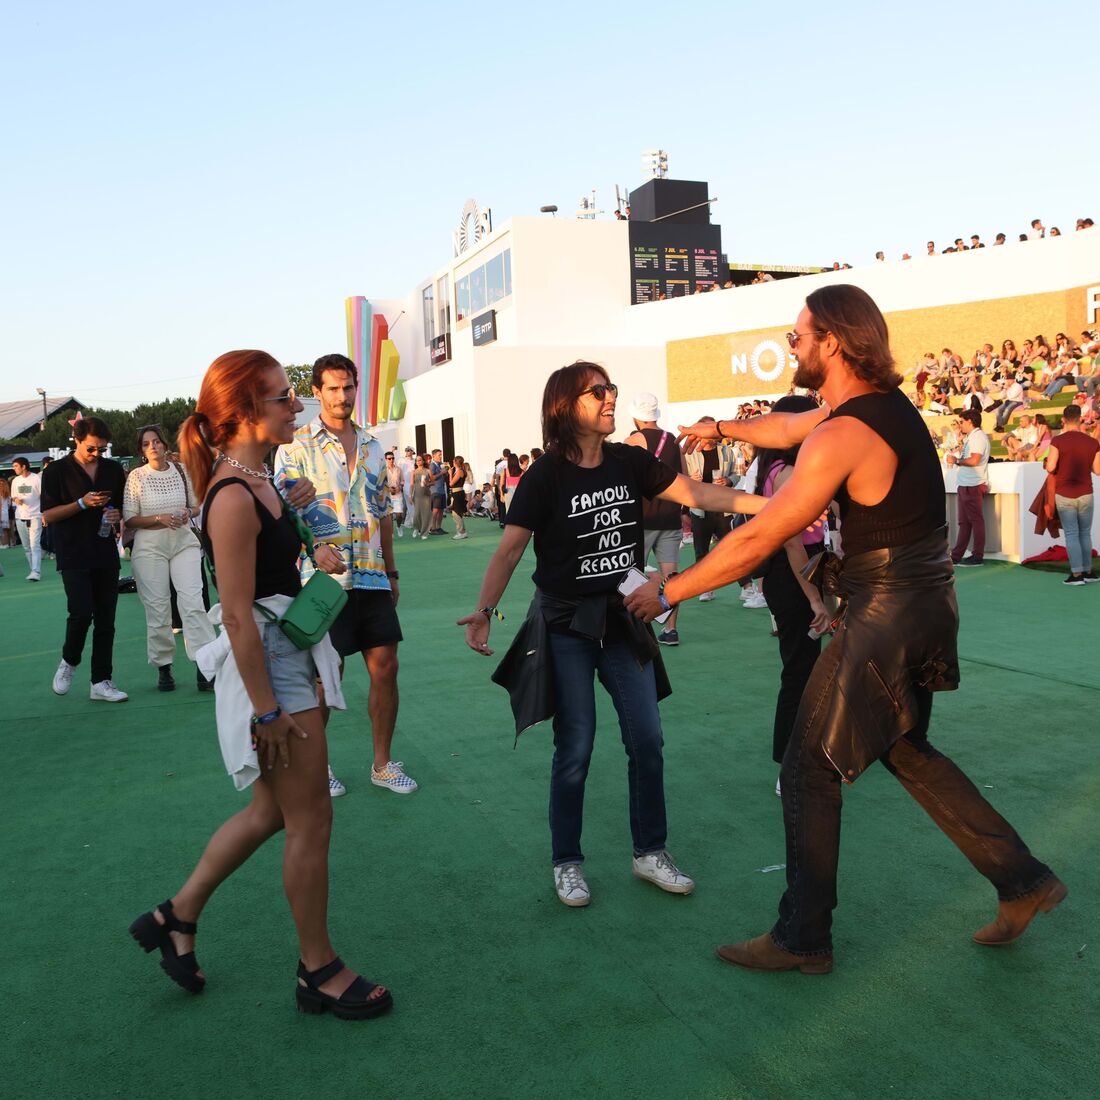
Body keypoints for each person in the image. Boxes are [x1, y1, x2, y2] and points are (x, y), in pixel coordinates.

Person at [630, 285, 1063, 972]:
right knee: (906, 750)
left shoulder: (843, 432)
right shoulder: (871, 410)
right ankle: (1023, 880)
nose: (791, 342)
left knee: (808, 766)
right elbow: (788, 428)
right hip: (922, 606)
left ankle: (803, 937)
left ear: (832, 341)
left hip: (884, 613)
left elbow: (766, 532)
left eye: (799, 333)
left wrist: (671, 589)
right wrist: (723, 431)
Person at [130, 349, 392, 1020]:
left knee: (272, 813)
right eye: (281, 397)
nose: (297, 405)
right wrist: (269, 711)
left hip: (288, 656)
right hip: (270, 668)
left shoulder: (263, 479)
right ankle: (318, 970)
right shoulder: (232, 496)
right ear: (244, 411)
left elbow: (285, 569)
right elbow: (240, 616)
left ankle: (177, 915)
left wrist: (301, 513)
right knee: (311, 819)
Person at [459, 361, 767, 908]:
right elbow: (510, 549)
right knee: (575, 745)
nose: (609, 398)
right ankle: (567, 862)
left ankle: (651, 851)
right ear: (565, 406)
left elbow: (697, 493)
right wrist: (485, 609)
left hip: (625, 617)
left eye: (611, 389)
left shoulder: (629, 461)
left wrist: (774, 506)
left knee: (647, 738)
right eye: (596, 391)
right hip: (565, 624)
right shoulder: (544, 475)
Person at [276, 354, 415, 797]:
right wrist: (313, 549)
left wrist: (392, 571)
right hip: (322, 584)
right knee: (323, 678)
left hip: (373, 577)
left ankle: (382, 764)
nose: (343, 396)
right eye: (333, 388)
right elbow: (281, 513)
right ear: (316, 393)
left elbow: (384, 515)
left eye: (349, 387)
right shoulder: (294, 447)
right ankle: (319, 766)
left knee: (386, 668)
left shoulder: (375, 447)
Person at [752, 395, 831, 791]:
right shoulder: (785, 474)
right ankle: (790, 764)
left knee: (813, 668)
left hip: (805, 571)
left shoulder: (788, 469)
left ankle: (812, 752)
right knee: (801, 670)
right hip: (798, 574)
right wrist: (815, 597)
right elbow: (792, 542)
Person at [41, 418, 129, 702]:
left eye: (102, 449)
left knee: (107, 620)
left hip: (104, 550)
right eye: (91, 448)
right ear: (76, 440)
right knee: (80, 613)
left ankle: (101, 681)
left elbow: (122, 508)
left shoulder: (113, 469)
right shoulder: (55, 471)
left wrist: (116, 515)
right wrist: (81, 503)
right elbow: (48, 515)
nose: (96, 454)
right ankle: (69, 662)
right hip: (73, 551)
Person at [123, 425, 216, 692]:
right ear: (141, 450)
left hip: (183, 542)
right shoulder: (136, 477)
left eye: (156, 441)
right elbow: (130, 518)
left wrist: (188, 512)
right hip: (149, 547)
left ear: (164, 445)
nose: (152, 446)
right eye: (145, 444)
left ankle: (204, 667)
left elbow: (197, 504)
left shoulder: (181, 470)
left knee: (193, 603)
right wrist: (158, 519)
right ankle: (164, 667)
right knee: (158, 608)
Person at [624, 393, 686, 646]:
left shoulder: (634, 440)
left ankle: (635, 626)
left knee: (632, 573)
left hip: (642, 517)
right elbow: (683, 476)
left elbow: (623, 479)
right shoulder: (672, 440)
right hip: (670, 518)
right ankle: (670, 629)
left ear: (636, 416)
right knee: (671, 577)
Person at [682, 417, 738, 603]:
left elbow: (737, 473)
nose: (711, 437)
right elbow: (681, 478)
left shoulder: (727, 451)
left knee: (732, 549)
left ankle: (747, 587)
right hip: (700, 508)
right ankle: (706, 588)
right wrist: (691, 480)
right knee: (701, 551)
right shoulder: (689, 454)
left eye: (713, 433)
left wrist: (729, 481)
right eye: (707, 433)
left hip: (722, 506)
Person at [1045, 403, 1100, 584]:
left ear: (1063, 419)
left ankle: (1077, 575)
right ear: (1080, 419)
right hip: (1086, 493)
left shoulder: (1058, 441)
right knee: (1085, 533)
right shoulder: (1093, 442)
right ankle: (1088, 571)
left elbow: (1051, 466)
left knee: (1072, 534)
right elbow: (1098, 470)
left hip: (1065, 493)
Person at [946, 407, 989, 566]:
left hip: (972, 485)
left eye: (962, 422)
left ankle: (977, 556)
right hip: (967, 484)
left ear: (970, 422)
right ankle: (956, 556)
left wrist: (956, 461)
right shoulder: (974, 437)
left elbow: (974, 460)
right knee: (964, 522)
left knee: (975, 521)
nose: (960, 425)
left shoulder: (977, 438)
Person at [10, 456, 43, 581]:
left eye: (16, 466)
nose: (14, 469)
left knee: (35, 545)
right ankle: (33, 570)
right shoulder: (15, 481)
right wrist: (16, 499)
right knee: (26, 547)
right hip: (20, 516)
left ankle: (36, 571)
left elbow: (43, 496)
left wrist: (44, 513)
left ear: (24, 466)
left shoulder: (36, 479)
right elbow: (14, 496)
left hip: (35, 516)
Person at [410, 454, 433, 537]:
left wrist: (428, 483)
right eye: (417, 460)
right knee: (416, 514)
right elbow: (412, 484)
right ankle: (416, 527)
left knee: (426, 514)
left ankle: (424, 533)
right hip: (417, 495)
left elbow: (433, 482)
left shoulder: (428, 471)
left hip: (426, 494)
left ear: (423, 461)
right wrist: (410, 495)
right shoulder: (414, 472)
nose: (418, 462)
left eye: (420, 460)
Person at [384, 450, 405, 537]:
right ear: (386, 459)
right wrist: (388, 489)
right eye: (389, 458)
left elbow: (402, 481)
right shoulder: (383, 470)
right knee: (390, 515)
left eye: (393, 458)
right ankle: (391, 532)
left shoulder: (398, 469)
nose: (391, 460)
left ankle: (399, 527)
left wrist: (399, 487)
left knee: (399, 514)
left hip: (398, 494)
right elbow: (381, 483)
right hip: (388, 495)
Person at [449, 455, 470, 540]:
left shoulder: (460, 471)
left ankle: (461, 532)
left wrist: (450, 474)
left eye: (454, 461)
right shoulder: (459, 470)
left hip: (458, 493)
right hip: (457, 492)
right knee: (458, 513)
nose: (452, 463)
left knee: (456, 513)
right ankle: (462, 531)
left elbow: (451, 483)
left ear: (456, 462)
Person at [428, 448, 448, 535]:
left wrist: (446, 471)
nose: (441, 457)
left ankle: (438, 527)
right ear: (433, 456)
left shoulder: (440, 465)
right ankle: (432, 528)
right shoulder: (432, 465)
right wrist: (442, 473)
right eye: (439, 455)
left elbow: (443, 476)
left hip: (442, 490)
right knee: (435, 510)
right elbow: (431, 478)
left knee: (441, 510)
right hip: (435, 491)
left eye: (441, 455)